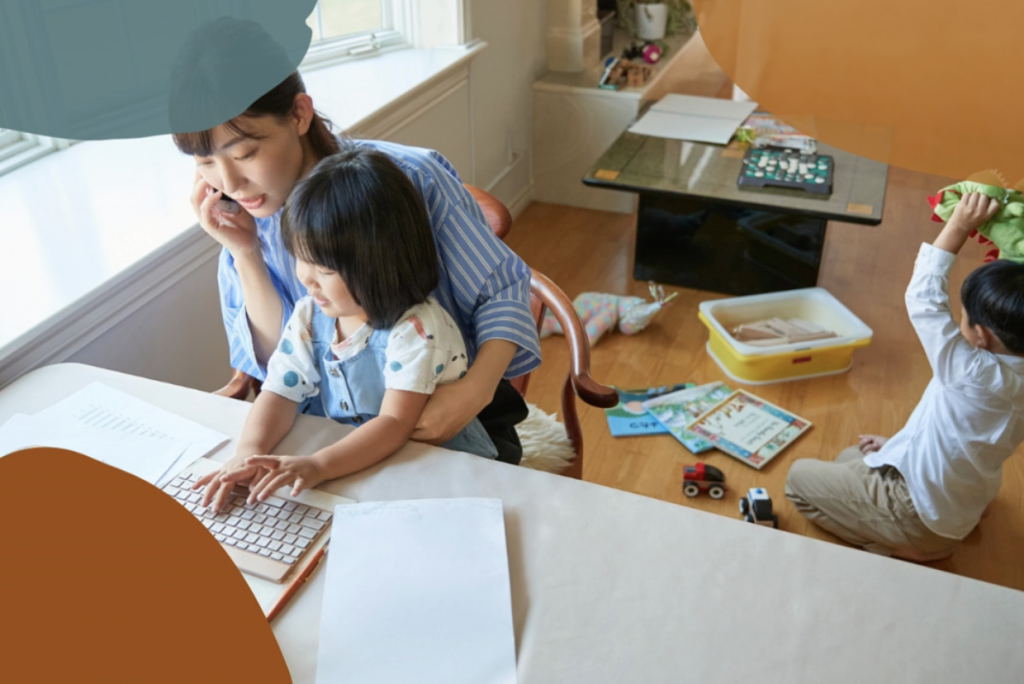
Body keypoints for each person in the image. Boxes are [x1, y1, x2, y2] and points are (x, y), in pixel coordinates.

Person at [170, 21, 537, 465]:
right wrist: (245, 254)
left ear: (299, 114)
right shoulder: (241, 221)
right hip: (328, 428)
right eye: (205, 161)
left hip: (448, 418)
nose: (230, 182)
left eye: (245, 153)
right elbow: (279, 366)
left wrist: (471, 394)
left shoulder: (411, 177)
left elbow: (503, 290)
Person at [195, 149, 499, 511]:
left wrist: (319, 464)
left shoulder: (416, 328)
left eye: (323, 269)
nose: (306, 279)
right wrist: (246, 453)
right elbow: (278, 392)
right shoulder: (311, 314)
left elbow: (393, 424)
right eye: (300, 259)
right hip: (361, 459)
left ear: (379, 263)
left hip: (439, 466)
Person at [785, 193, 1024, 561]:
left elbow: (923, 297)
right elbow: (957, 431)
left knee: (799, 479)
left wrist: (958, 226)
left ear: (982, 336)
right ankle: (952, 519)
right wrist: (900, 447)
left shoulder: (968, 368)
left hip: (918, 514)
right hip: (963, 495)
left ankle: (911, 546)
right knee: (854, 455)